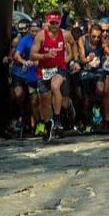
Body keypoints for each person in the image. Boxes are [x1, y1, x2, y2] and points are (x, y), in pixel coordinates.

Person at [30, 10, 79, 142]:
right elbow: (32, 55)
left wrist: (74, 61)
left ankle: (57, 119)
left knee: (55, 86)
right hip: (44, 70)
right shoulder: (41, 36)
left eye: (56, 23)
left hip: (59, 68)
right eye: (51, 23)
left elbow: (74, 45)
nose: (54, 26)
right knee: (45, 101)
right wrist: (45, 55)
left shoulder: (65, 34)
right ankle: (48, 124)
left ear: (59, 22)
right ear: (47, 22)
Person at [11, 19, 41, 136]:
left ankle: (37, 122)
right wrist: (24, 61)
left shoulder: (43, 39)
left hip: (35, 74)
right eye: (32, 31)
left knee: (34, 100)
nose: (34, 33)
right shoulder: (24, 40)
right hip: (20, 72)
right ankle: (22, 115)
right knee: (18, 94)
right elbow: (16, 55)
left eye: (36, 31)